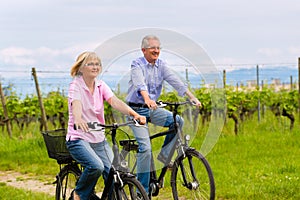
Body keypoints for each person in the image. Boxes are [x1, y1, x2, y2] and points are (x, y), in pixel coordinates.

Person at [126, 35, 202, 194]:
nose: (156, 51)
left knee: (177, 122)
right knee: (145, 149)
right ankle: (143, 192)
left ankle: (164, 159)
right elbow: (140, 83)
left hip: (152, 109)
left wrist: (191, 97)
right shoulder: (137, 64)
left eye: (158, 48)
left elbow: (175, 80)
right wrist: (146, 98)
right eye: (153, 48)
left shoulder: (161, 65)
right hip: (135, 110)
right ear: (144, 50)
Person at [66, 51, 146, 200]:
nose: (95, 67)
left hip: (98, 138)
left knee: (112, 171)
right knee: (96, 166)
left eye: (97, 64)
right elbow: (76, 104)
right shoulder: (75, 86)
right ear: (81, 67)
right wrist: (78, 119)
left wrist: (134, 114)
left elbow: (114, 101)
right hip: (78, 139)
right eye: (90, 64)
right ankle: (79, 194)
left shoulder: (100, 85)